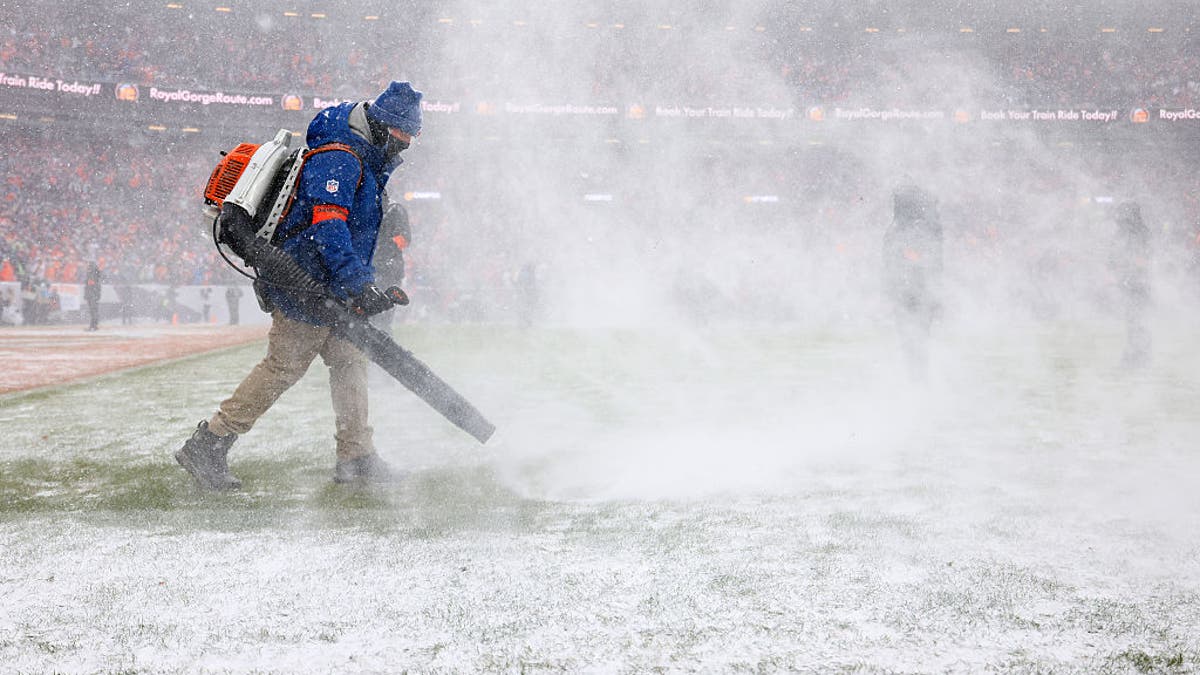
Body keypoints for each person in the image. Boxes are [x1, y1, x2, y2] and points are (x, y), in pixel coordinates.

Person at [175, 81, 423, 490]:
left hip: (332, 286)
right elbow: (328, 228)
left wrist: (357, 283)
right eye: (403, 134)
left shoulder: (362, 155)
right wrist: (358, 283)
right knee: (282, 368)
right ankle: (209, 443)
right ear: (383, 125)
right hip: (304, 284)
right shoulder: (340, 157)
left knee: (350, 364)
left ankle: (356, 456)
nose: (406, 143)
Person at [882, 185, 943, 379]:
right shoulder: (913, 229)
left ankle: (917, 377)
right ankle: (917, 377)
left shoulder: (899, 229)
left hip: (910, 292)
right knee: (915, 338)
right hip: (913, 291)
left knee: (913, 339)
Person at [1110, 201, 1151, 367]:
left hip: (1136, 281)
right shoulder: (1134, 232)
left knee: (1135, 318)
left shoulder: (1137, 234)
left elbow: (1141, 260)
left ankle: (1137, 354)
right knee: (1133, 318)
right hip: (1132, 280)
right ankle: (1136, 353)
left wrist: (1128, 266)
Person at [371, 199, 411, 328]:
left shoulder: (395, 210)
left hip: (388, 270)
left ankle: (381, 343)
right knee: (372, 318)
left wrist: (383, 246)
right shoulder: (369, 208)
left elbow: (404, 239)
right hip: (374, 268)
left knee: (383, 317)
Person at [84, 261, 102, 331]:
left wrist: (87, 294)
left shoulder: (91, 274)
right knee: (94, 310)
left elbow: (90, 285)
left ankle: (93, 325)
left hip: (92, 295)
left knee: (93, 310)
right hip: (94, 294)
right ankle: (94, 325)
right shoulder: (96, 274)